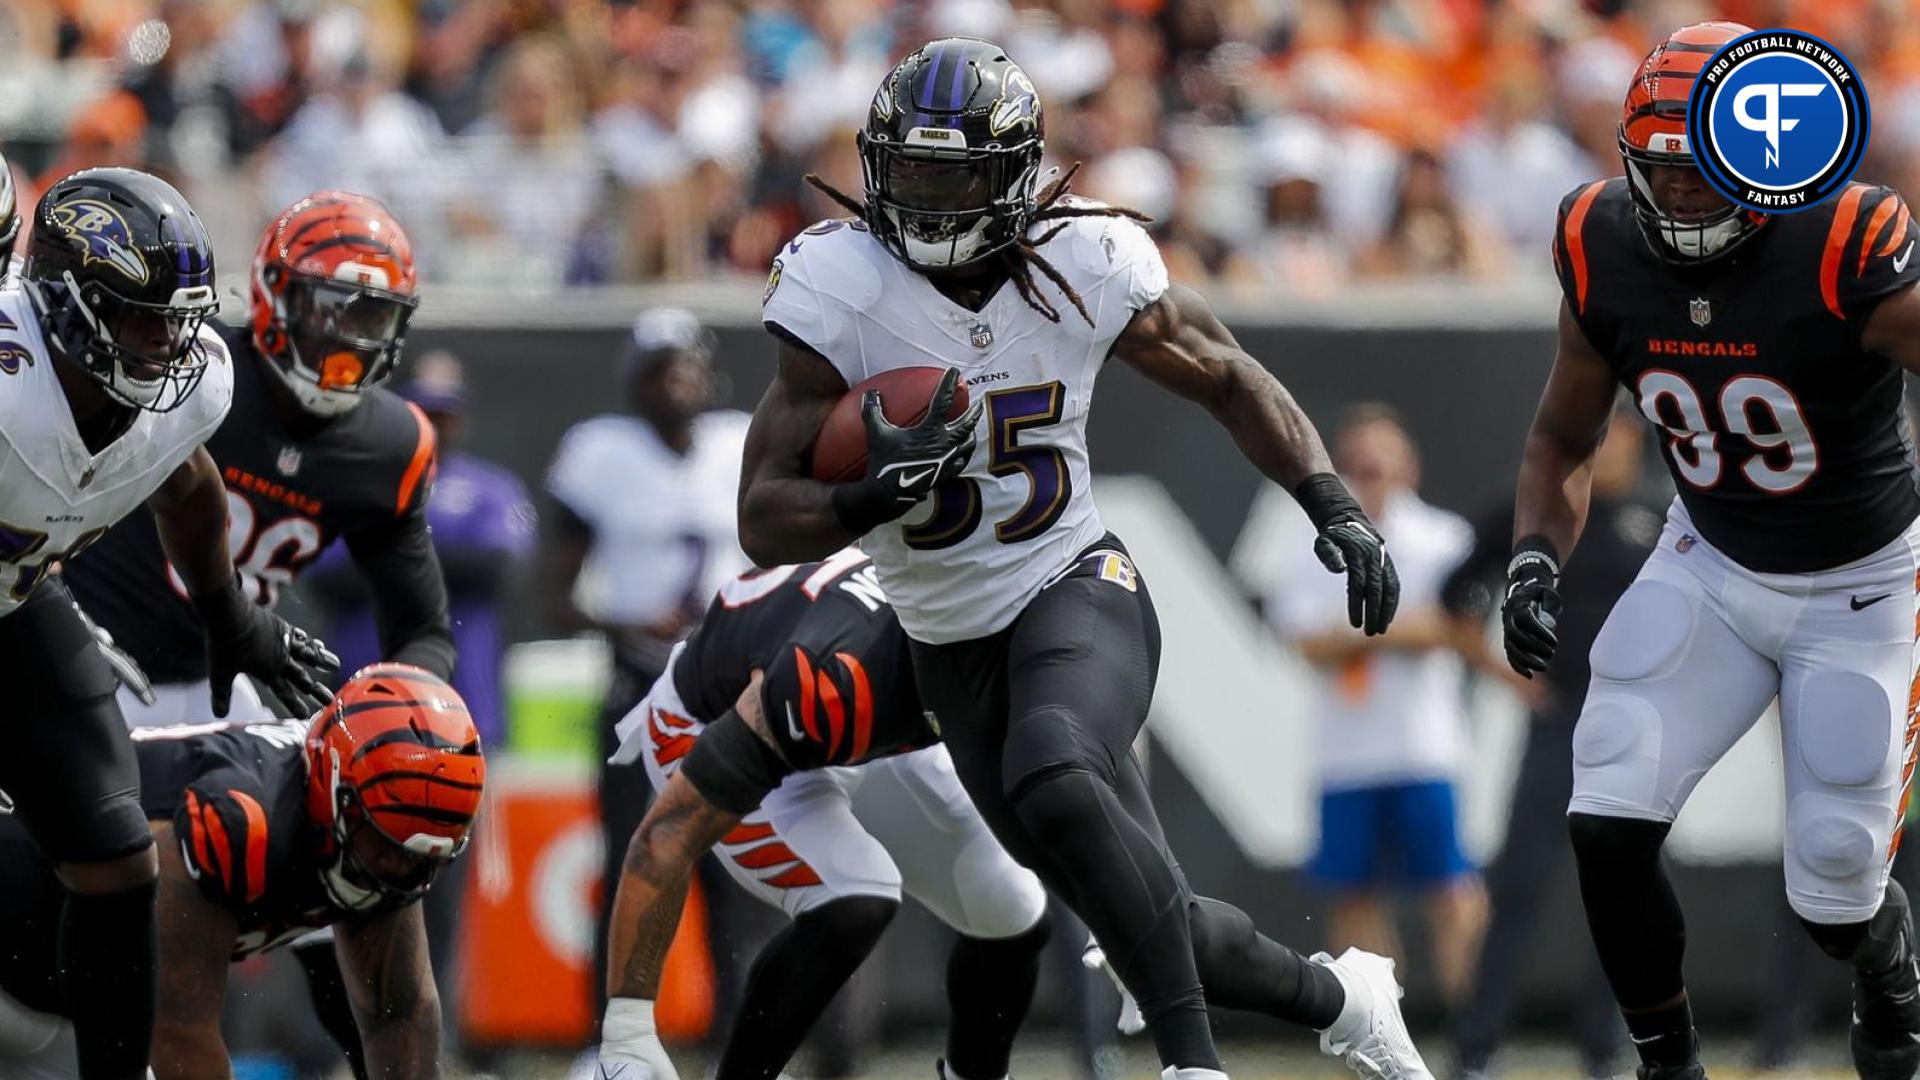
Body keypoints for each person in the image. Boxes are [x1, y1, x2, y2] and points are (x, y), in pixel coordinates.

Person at [738, 37, 1426, 1080]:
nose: (926, 202)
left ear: (1013, 173)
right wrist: (862, 495)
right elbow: (763, 515)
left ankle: (1194, 1066)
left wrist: (1331, 503)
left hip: (1071, 583)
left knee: (1058, 774)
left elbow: (1228, 376)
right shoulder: (839, 287)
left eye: (953, 175)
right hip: (944, 637)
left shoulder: (1087, 259)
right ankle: (1343, 997)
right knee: (1147, 908)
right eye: (910, 172)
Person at [1503, 21, 1920, 1080]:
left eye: (1707, 172)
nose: (1683, 195)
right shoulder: (1598, 237)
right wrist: (1534, 559)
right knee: (1603, 814)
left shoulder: (1843, 241)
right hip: (1714, 561)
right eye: (1664, 171)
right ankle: (1668, 1062)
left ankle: (1885, 961)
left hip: (1863, 588)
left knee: (1834, 890)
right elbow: (1563, 437)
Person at [0, 166, 337, 1080]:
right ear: (65, 304)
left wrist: (234, 619)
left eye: (179, 317)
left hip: (16, 604)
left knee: (117, 862)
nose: (167, 341)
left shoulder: (187, 386)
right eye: (142, 317)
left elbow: (185, 484)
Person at [593, 550, 1051, 1080]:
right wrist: (627, 1026)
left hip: (860, 718)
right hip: (727, 719)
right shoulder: (823, 679)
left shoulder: (968, 637)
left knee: (1011, 907)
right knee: (857, 892)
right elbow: (666, 836)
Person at [66, 189, 455, 728]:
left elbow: (423, 631)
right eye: (329, 310)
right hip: (89, 656)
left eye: (370, 320)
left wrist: (399, 713)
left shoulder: (390, 445)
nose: (346, 339)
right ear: (274, 294)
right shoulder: (191, 371)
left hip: (222, 682)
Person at [0, 663, 485, 1080]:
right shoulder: (235, 822)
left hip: (94, 969)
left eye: (422, 855)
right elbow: (179, 1042)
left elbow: (397, 1018)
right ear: (334, 787)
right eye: (385, 841)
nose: (398, 867)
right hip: (25, 910)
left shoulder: (383, 829)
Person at [304, 349, 532, 1062]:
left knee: (445, 889)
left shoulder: (488, 488)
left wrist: (394, 554)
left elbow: (495, 567)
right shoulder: (366, 480)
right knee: (345, 882)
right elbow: (323, 574)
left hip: (457, 720)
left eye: (445, 411)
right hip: (361, 729)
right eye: (423, 410)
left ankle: (447, 1037)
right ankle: (343, 1043)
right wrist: (415, 558)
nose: (436, 423)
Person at [540, 306, 750, 1016]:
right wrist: (628, 623)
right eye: (663, 368)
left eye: (688, 364)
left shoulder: (740, 442)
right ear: (636, 380)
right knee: (636, 864)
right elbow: (555, 598)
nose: (679, 381)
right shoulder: (601, 454)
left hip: (731, 689)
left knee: (741, 870)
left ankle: (742, 1047)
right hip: (640, 691)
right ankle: (611, 1041)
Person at [1449, 405, 1656, 1079]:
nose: (1604, 448)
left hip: (1636, 727)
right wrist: (1509, 676)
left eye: (1615, 436)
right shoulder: (1534, 510)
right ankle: (1478, 1045)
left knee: (1625, 889)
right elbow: (1454, 594)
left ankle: (1607, 1044)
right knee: (1520, 882)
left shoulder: (1662, 516)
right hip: (1559, 720)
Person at [1269, 405, 1490, 1007]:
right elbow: (1303, 640)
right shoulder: (1309, 543)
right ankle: (1376, 1036)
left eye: (1379, 463)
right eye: (1357, 465)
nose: (1369, 476)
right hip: (1345, 754)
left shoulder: (1441, 536)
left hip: (1423, 749)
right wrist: (1397, 629)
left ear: (1408, 468)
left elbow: (1454, 627)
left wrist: (1357, 633)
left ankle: (1471, 1035)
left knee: (1450, 890)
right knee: (1353, 898)